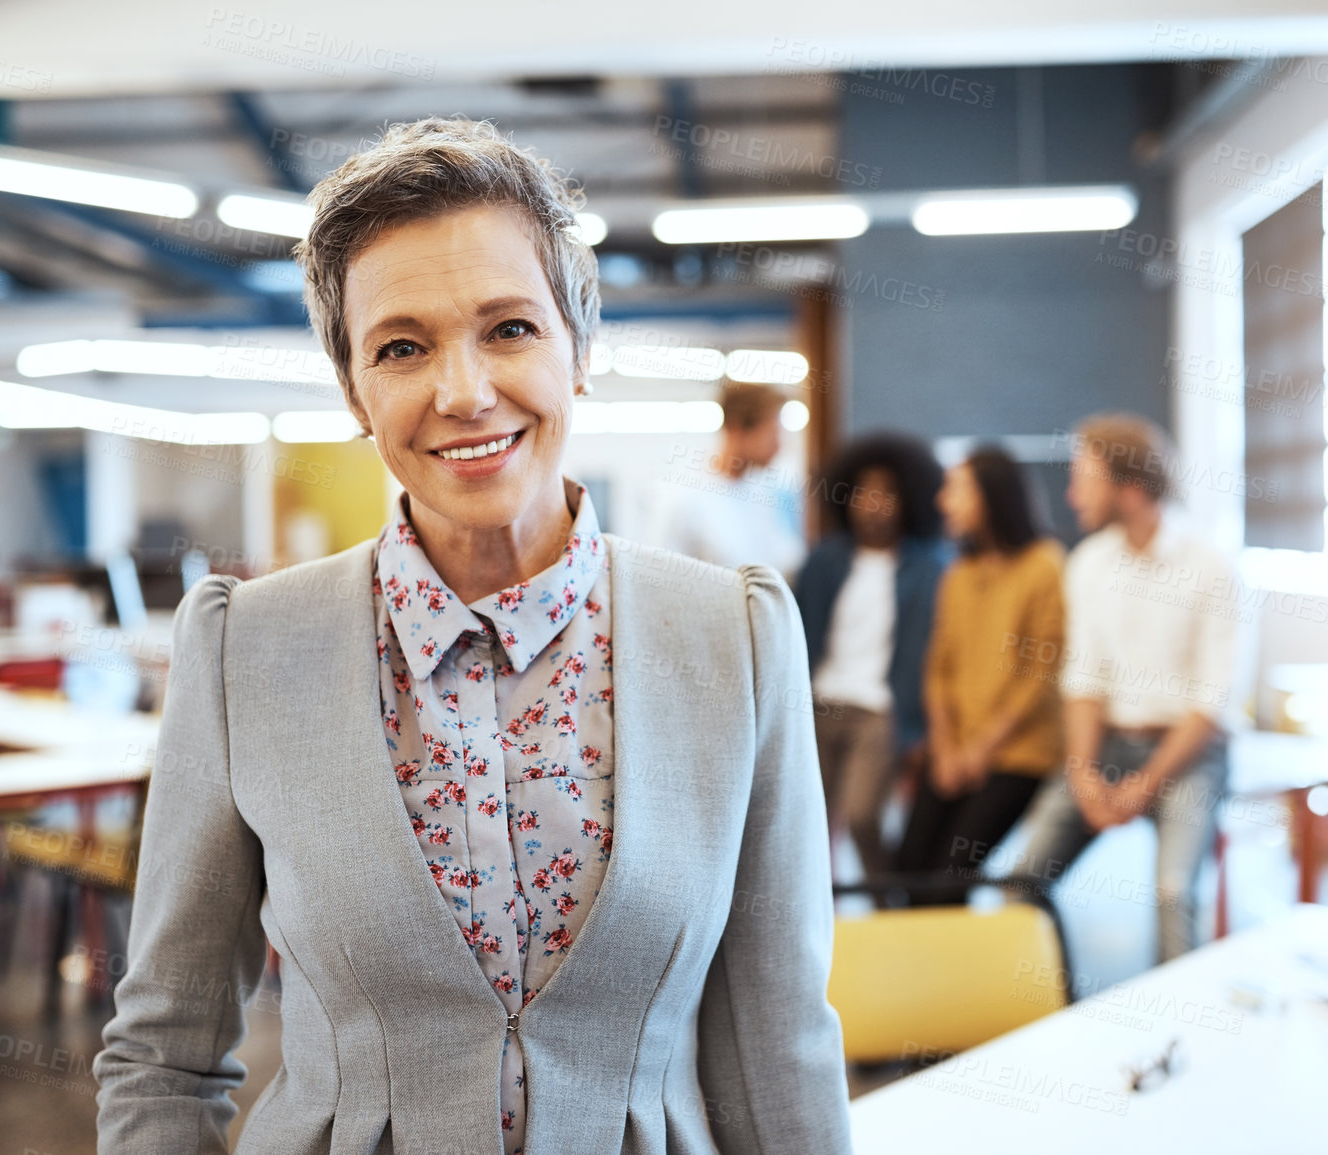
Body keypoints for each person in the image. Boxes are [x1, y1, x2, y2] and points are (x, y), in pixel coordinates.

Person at [94, 118, 851, 1155]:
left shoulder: (735, 641)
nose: (463, 392)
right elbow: (164, 1056)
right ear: (356, 392)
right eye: (402, 347)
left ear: (578, 347)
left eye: (509, 328)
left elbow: (780, 1048)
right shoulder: (247, 651)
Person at [1015, 413, 1241, 961]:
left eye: (1084, 478)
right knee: (1022, 882)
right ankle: (1044, 1008)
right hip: (1107, 745)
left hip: (1187, 754)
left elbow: (1212, 705)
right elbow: (1084, 679)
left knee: (1173, 893)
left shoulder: (1211, 566)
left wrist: (1144, 786)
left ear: (1131, 487)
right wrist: (1083, 772)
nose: (1071, 495)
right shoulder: (1090, 562)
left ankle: (1180, 1030)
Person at [896, 446, 1066, 902]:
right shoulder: (958, 574)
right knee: (906, 868)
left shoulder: (1044, 566)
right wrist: (947, 746)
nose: (943, 501)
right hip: (955, 748)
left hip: (1017, 754)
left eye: (956, 489)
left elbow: (1040, 677)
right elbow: (939, 668)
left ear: (992, 495)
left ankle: (951, 970)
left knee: (951, 873)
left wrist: (979, 751)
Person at [794, 434, 948, 880]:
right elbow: (800, 632)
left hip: (880, 709)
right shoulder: (824, 561)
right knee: (810, 823)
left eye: (887, 493)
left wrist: (919, 728)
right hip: (819, 701)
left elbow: (931, 650)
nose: (873, 503)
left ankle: (885, 904)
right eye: (864, 491)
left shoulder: (929, 566)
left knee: (863, 815)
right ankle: (819, 916)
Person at [654, 381, 806, 579]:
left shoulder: (764, 494)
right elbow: (664, 580)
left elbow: (786, 559)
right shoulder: (685, 501)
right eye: (771, 433)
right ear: (736, 428)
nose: (778, 446)